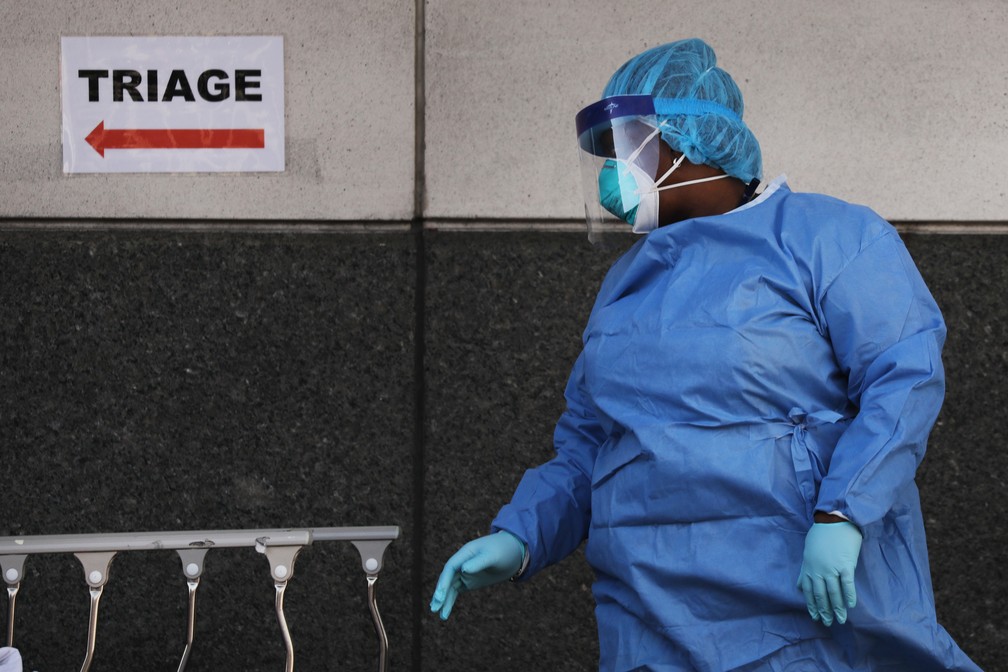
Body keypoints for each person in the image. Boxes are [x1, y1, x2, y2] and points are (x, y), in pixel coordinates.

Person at [431, 38, 981, 671]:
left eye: (623, 151)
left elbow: (904, 376)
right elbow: (589, 445)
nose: (612, 177)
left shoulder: (829, 238)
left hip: (804, 609)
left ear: (683, 138)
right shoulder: (627, 286)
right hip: (649, 622)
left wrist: (842, 513)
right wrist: (521, 535)